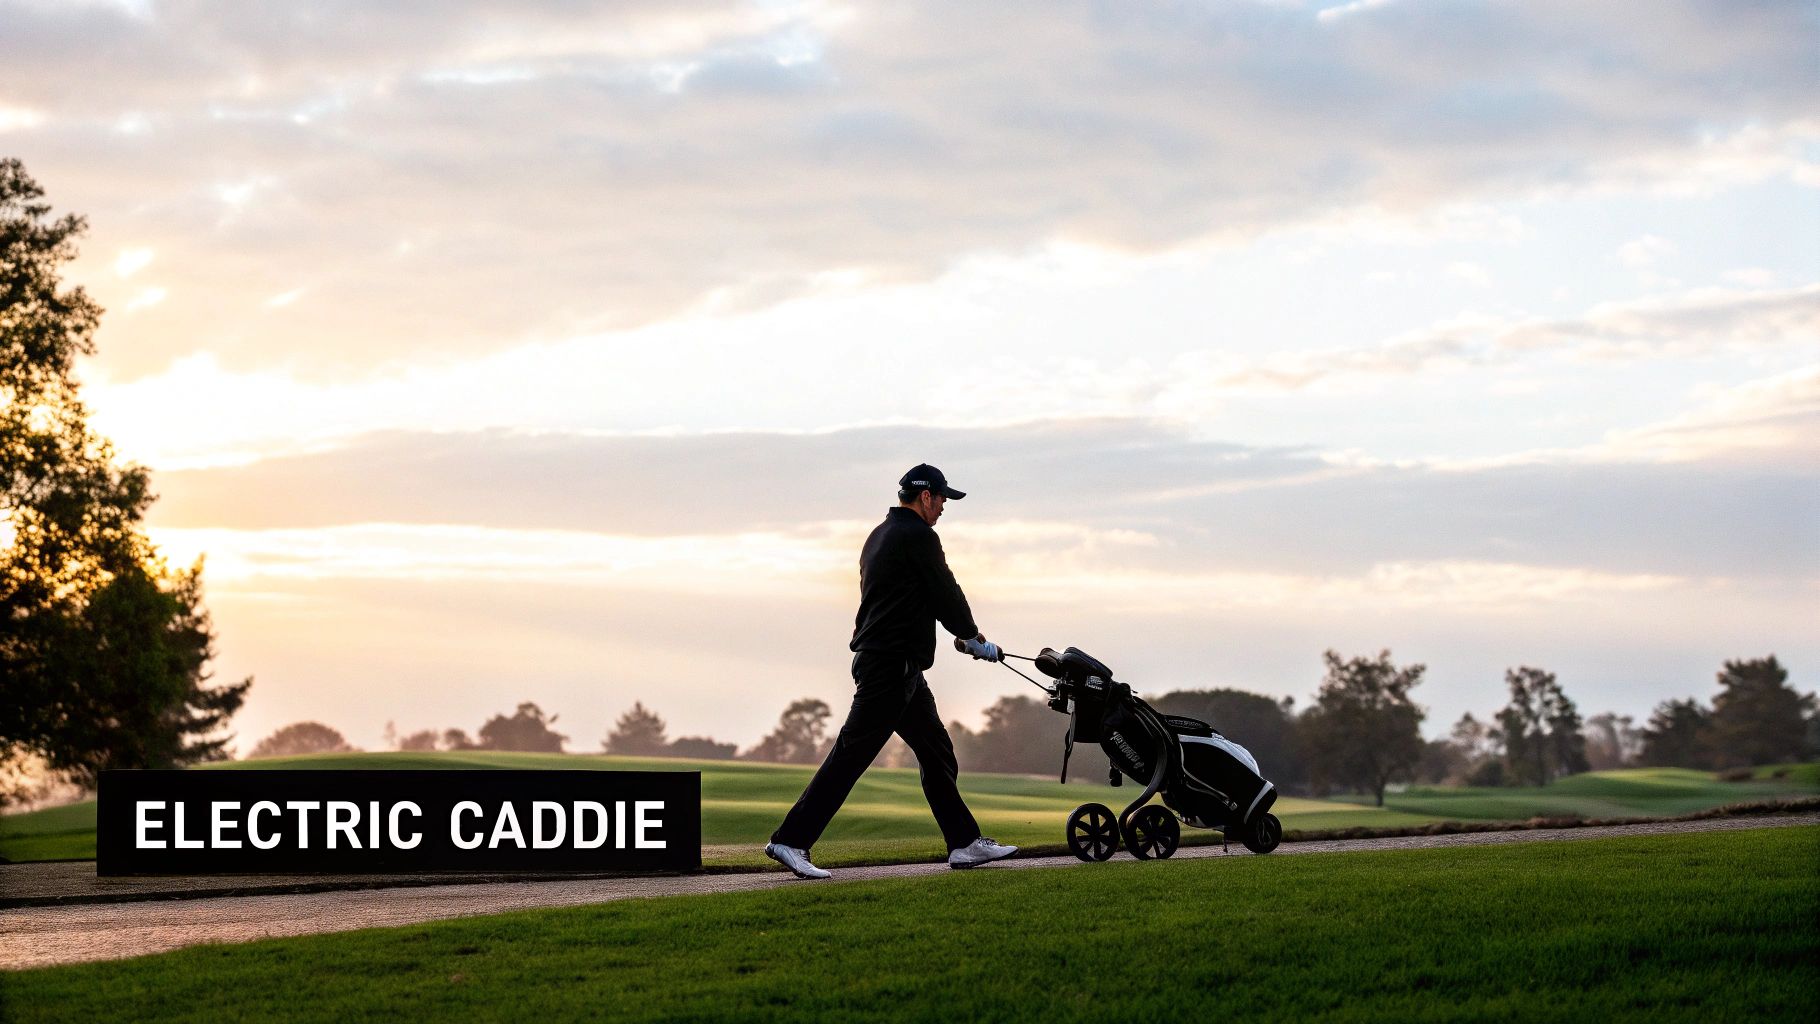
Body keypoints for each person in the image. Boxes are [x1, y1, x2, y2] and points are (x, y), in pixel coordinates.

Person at [764, 464, 1018, 879]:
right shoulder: (918, 536)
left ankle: (964, 843)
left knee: (937, 752)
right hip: (889, 667)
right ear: (924, 498)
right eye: (941, 500)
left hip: (902, 668)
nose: (943, 508)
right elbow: (944, 591)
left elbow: (914, 596)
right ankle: (790, 840)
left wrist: (965, 637)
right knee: (851, 756)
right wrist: (974, 637)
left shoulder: (880, 534)